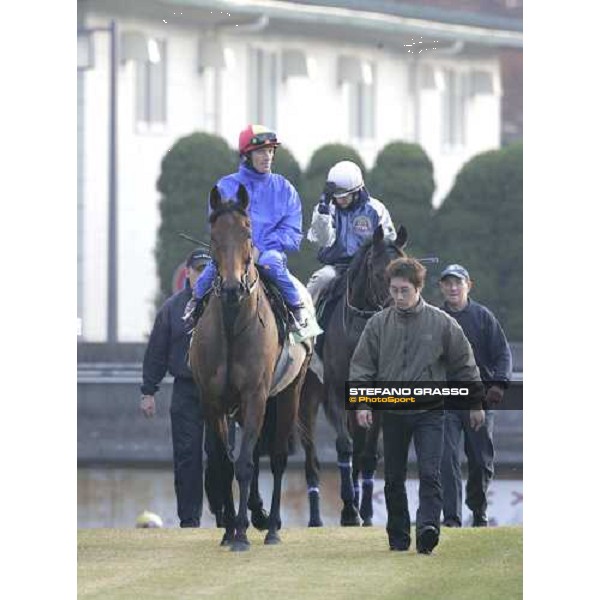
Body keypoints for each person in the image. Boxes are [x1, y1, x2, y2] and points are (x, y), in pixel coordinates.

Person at [351, 257, 485, 554]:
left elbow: (465, 363)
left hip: (430, 412)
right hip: (392, 411)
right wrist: (362, 402)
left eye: (404, 290)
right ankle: (398, 535)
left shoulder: (441, 323)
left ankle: (428, 529)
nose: (398, 296)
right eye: (394, 290)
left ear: (418, 288)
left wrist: (475, 401)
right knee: (393, 478)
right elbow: (361, 367)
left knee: (430, 473)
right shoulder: (378, 324)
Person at [186, 124, 309, 333]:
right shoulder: (225, 187)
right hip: (233, 252)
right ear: (246, 156)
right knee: (206, 278)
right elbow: (218, 227)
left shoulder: (285, 189)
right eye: (261, 151)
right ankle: (193, 310)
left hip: (269, 254)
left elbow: (293, 234)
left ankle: (298, 312)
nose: (267, 156)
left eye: (270, 151)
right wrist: (243, 249)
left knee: (272, 263)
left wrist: (261, 248)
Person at [140, 248, 219, 528]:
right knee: (187, 458)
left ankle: (222, 514)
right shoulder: (172, 308)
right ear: (188, 273)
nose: (202, 275)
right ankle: (189, 520)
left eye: (206, 269)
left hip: (219, 392)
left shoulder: (225, 304)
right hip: (185, 390)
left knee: (220, 453)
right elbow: (156, 353)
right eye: (197, 270)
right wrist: (149, 391)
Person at [438, 264, 513, 528]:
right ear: (441, 287)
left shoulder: (483, 317)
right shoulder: (435, 318)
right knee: (446, 459)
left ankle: (478, 510)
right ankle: (451, 517)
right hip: (446, 400)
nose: (453, 287)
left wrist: (499, 385)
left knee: (481, 461)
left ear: (469, 285)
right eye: (447, 283)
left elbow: (503, 354)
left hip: (479, 399)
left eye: (458, 282)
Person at [306, 159, 396, 306]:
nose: (340, 200)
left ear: (357, 190)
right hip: (337, 268)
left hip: (368, 268)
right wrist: (323, 213)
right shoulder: (326, 209)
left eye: (345, 196)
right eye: (337, 196)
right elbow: (322, 240)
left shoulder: (376, 209)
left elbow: (389, 240)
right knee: (321, 279)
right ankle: (303, 321)